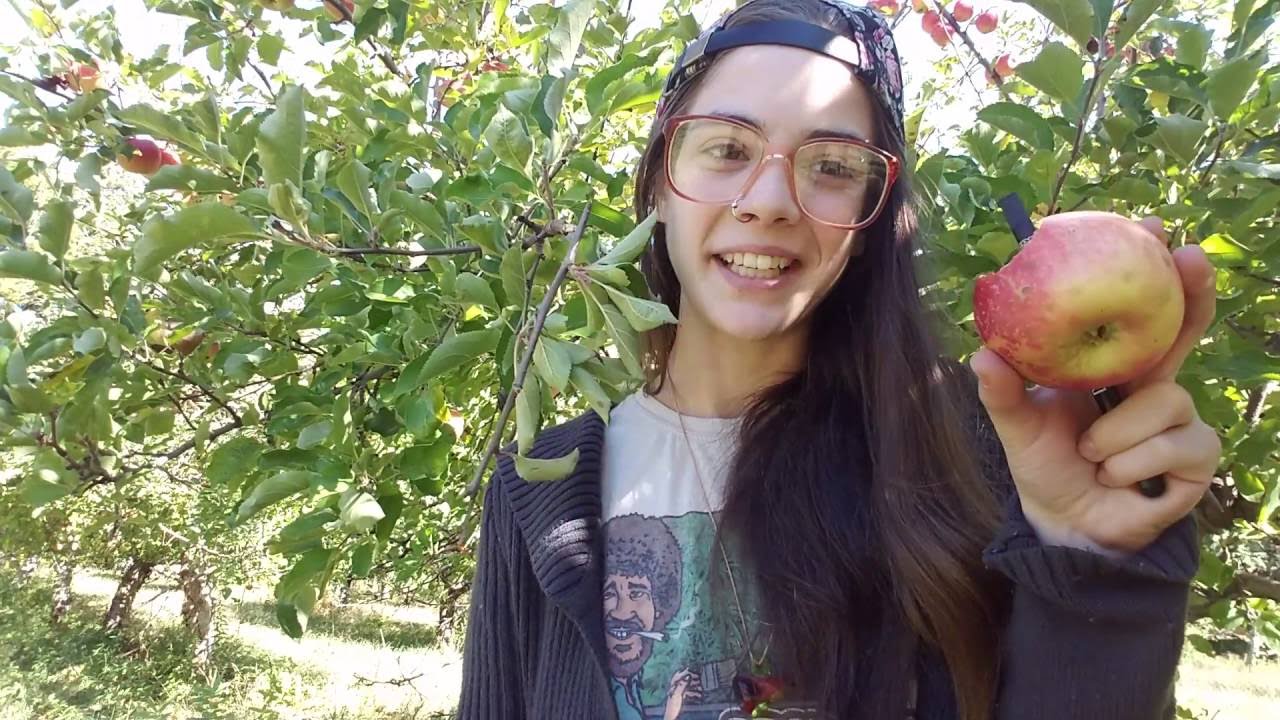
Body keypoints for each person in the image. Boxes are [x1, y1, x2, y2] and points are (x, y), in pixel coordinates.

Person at [458, 1, 1221, 719]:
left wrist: (1092, 559)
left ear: (869, 218)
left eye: (832, 165)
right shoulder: (539, 487)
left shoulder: (976, 448)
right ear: (662, 178)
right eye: (727, 147)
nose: (770, 199)